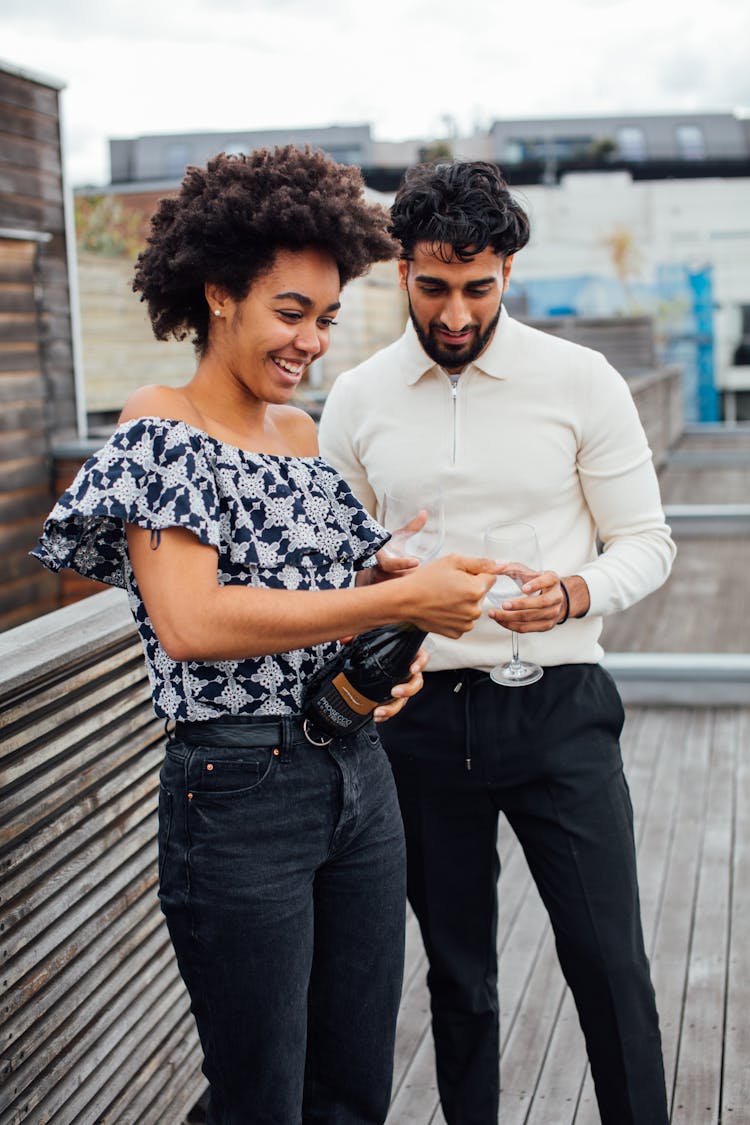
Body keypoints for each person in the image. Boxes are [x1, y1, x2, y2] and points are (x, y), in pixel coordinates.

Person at [32, 148, 499, 1125]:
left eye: (327, 318)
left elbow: (327, 588)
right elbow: (191, 620)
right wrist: (383, 609)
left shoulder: (296, 435)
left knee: (353, 1091)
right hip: (236, 794)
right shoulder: (160, 427)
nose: (312, 341)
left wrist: (395, 600)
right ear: (217, 295)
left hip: (359, 777)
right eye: (292, 312)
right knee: (262, 1100)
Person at [318, 160, 676, 1125]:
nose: (457, 313)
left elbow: (647, 542)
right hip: (421, 723)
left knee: (609, 965)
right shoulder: (354, 399)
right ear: (401, 270)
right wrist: (383, 586)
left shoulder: (580, 379)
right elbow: (334, 572)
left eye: (478, 288)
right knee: (459, 978)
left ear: (508, 272)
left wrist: (572, 592)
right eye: (434, 288)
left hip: (559, 709)